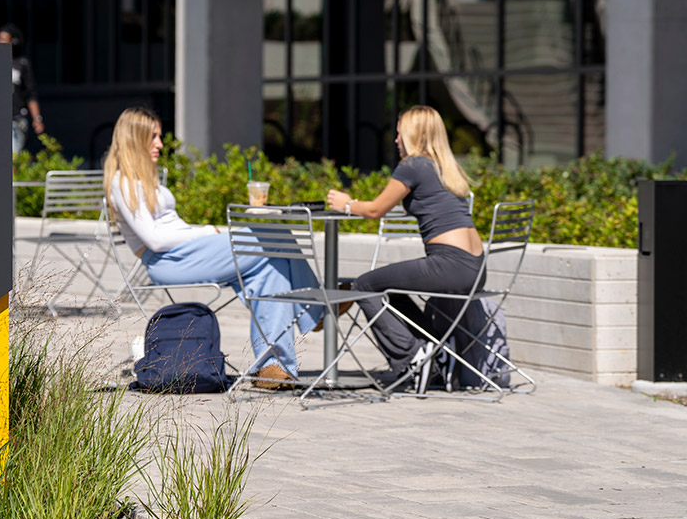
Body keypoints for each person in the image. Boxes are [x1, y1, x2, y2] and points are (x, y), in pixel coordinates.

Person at [104, 107, 324, 386]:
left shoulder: (146, 180)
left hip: (185, 253)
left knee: (271, 266)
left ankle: (272, 367)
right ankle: (317, 307)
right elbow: (156, 240)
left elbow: (174, 229)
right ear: (134, 139)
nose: (160, 144)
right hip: (168, 261)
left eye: (159, 136)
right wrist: (209, 231)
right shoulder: (121, 183)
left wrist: (207, 233)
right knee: (274, 236)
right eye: (153, 137)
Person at [326, 105, 484, 386]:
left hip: (449, 263)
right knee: (391, 292)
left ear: (412, 134)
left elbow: (376, 210)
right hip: (474, 266)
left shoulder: (413, 165)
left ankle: (412, 358)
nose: (396, 140)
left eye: (399, 133)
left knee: (363, 285)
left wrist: (346, 204)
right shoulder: (443, 166)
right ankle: (435, 354)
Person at [0, 23, 44, 154]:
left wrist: (37, 118)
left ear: (13, 42)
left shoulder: (21, 63)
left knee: (13, 155)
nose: (0, 43)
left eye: (4, 40)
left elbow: (30, 93)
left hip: (15, 117)